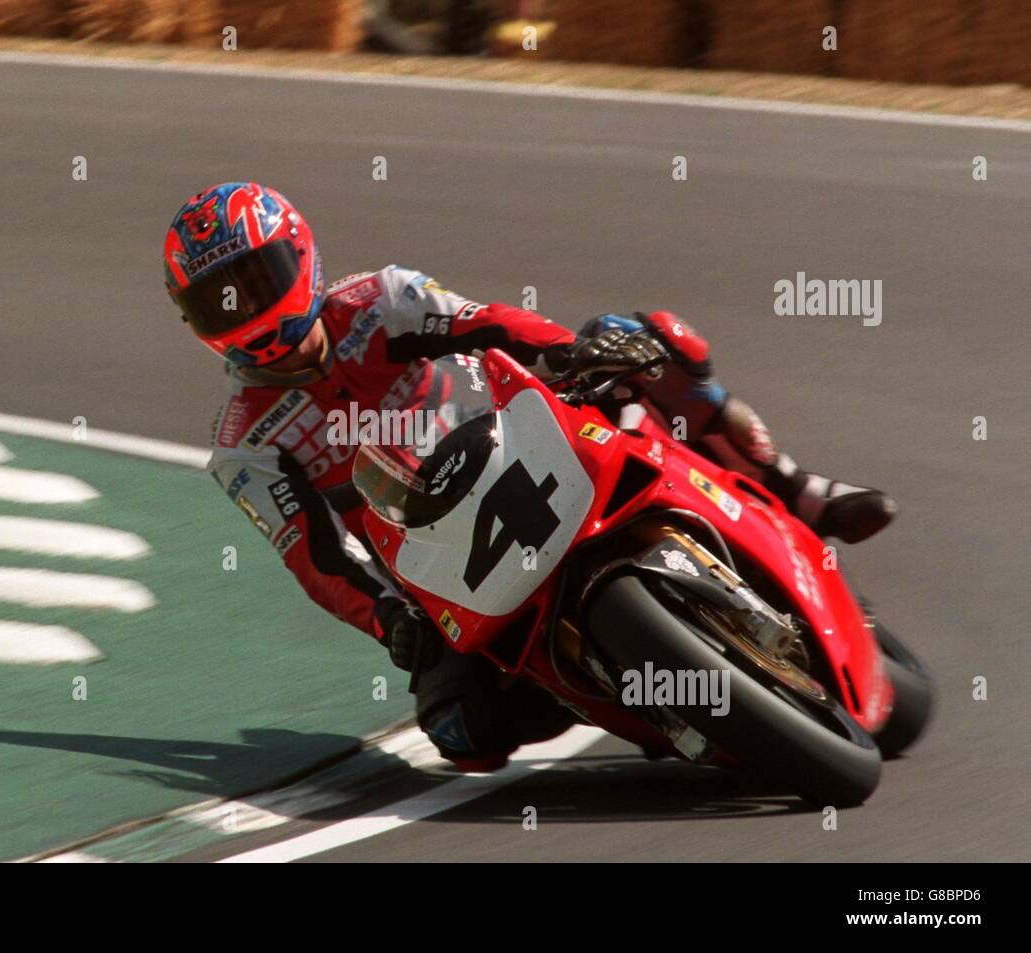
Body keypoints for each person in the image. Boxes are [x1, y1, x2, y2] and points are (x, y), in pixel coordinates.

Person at [165, 181, 896, 771]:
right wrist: (389, 619)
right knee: (464, 732)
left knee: (650, 338)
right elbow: (316, 558)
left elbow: (494, 325)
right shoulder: (245, 443)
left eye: (257, 280)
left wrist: (574, 352)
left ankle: (796, 485)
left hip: (531, 443)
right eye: (218, 299)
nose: (245, 308)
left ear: (303, 257)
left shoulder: (380, 302)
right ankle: (626, 696)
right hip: (447, 566)